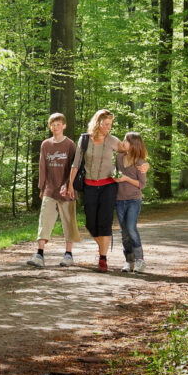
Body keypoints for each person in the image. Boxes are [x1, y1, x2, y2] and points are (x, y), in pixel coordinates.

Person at [67, 109, 120, 272]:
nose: (108, 128)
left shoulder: (113, 141)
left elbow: (130, 154)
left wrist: (140, 166)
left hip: (108, 186)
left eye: (110, 124)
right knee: (91, 224)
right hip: (89, 186)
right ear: (97, 123)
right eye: (106, 124)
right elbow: (75, 164)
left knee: (104, 223)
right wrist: (70, 185)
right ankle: (102, 246)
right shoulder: (85, 140)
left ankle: (103, 258)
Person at [27, 113, 80, 268]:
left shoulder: (70, 145)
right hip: (50, 190)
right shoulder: (45, 145)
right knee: (44, 220)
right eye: (53, 125)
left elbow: (74, 168)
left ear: (64, 126)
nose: (55, 128)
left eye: (58, 125)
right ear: (50, 127)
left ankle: (68, 255)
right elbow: (42, 167)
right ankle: (39, 254)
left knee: (69, 222)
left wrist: (69, 185)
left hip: (67, 190)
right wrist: (42, 187)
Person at [114, 132, 148, 273]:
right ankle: (129, 261)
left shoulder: (139, 162)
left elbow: (142, 184)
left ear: (133, 145)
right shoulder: (119, 157)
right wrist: (115, 177)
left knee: (131, 227)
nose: (123, 142)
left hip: (134, 199)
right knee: (124, 232)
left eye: (126, 141)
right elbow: (116, 174)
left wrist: (125, 179)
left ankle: (140, 260)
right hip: (119, 200)